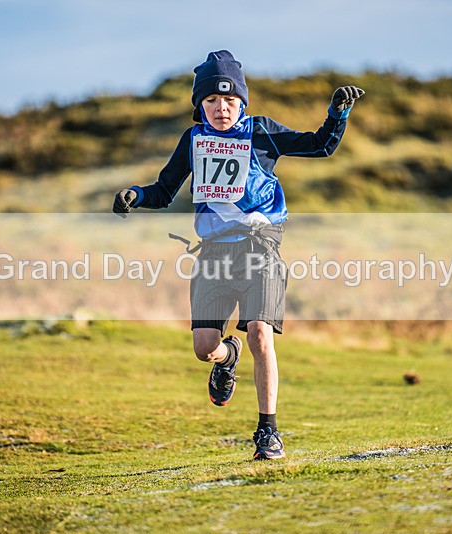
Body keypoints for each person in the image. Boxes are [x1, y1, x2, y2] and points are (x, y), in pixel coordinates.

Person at [113, 50, 363, 460]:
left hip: (260, 248)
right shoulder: (193, 141)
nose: (221, 108)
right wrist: (135, 196)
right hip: (212, 254)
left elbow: (319, 146)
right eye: (211, 100)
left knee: (261, 332)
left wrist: (337, 112)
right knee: (203, 347)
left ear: (242, 102)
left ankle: (268, 431)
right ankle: (228, 357)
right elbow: (162, 191)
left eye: (229, 100)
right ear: (200, 106)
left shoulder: (261, 132)